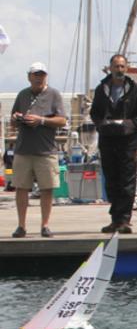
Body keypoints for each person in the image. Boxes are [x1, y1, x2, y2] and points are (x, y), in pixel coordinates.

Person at [90, 54, 137, 234]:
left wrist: (129, 124)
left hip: (128, 141)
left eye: (122, 66)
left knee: (127, 181)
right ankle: (115, 219)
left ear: (127, 68)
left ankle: (124, 220)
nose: (119, 70)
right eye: (116, 66)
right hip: (108, 139)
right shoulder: (102, 89)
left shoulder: (135, 89)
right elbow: (95, 113)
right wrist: (102, 125)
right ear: (110, 68)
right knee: (111, 180)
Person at [9, 62, 68, 238]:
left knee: (47, 189)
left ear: (46, 77)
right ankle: (21, 226)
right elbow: (13, 121)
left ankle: (45, 225)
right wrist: (17, 118)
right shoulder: (22, 95)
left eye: (42, 74)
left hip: (46, 150)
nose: (38, 78)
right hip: (23, 150)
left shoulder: (54, 94)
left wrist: (41, 120)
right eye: (35, 74)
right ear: (29, 77)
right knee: (21, 188)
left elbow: (62, 120)